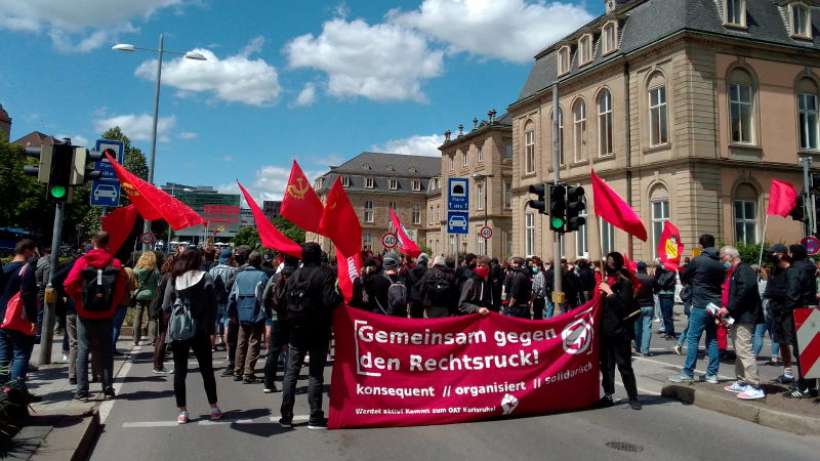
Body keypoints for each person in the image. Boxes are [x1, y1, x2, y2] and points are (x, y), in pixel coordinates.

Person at [280, 242, 342, 429]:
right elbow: (329, 300)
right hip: (318, 329)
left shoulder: (293, 276)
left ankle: (286, 416)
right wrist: (341, 297)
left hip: (296, 328)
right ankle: (315, 416)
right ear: (318, 256)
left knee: (291, 372)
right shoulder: (325, 273)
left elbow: (283, 301)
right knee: (315, 374)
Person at [64, 232, 128, 400]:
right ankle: (107, 388)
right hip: (107, 313)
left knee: (83, 350)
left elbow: (69, 284)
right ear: (108, 243)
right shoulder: (115, 262)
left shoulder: (82, 261)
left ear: (93, 242)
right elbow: (121, 288)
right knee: (106, 351)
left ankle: (82, 390)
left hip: (85, 313)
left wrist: (81, 298)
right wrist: (112, 304)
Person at [161, 248, 222, 424]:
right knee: (206, 370)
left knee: (180, 371)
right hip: (200, 329)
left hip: (179, 329)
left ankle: (182, 412)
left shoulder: (174, 277)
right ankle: (214, 407)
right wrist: (212, 329)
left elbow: (166, 305)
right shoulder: (205, 277)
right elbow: (212, 306)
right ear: (198, 260)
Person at [670, 234, 724, 384]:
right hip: (715, 305)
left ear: (701, 245)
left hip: (701, 303)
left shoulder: (698, 260)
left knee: (693, 338)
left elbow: (684, 275)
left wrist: (693, 281)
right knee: (712, 338)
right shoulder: (720, 262)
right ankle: (712, 374)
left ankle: (688, 372)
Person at [718, 246, 764, 400]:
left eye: (723, 258)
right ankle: (742, 381)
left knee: (744, 350)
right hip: (739, 316)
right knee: (739, 350)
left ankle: (755, 385)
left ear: (731, 256)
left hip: (746, 316)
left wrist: (728, 308)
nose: (722, 261)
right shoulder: (736, 271)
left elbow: (743, 292)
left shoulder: (744, 270)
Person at [598, 252, 641, 410]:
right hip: (605, 331)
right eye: (607, 261)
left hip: (620, 331)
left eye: (611, 262)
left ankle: (633, 397)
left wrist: (609, 293)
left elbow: (623, 306)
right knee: (606, 366)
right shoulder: (603, 280)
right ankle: (608, 394)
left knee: (624, 365)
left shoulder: (625, 283)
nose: (608, 264)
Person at [0, 239, 38, 392]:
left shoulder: (5, 268)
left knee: (3, 357)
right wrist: (33, 320)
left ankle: (2, 386)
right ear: (27, 250)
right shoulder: (26, 269)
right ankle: (15, 390)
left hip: (2, 319)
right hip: (19, 319)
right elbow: (28, 296)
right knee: (21, 355)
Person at [783, 244, 818, 397]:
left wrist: (786, 309)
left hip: (798, 311)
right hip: (811, 309)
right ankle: (812, 386)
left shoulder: (794, 269)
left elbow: (793, 292)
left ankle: (802, 386)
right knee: (812, 351)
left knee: (800, 351)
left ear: (794, 254)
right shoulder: (810, 267)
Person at [228, 251, 269, 384]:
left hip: (241, 312)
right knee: (254, 341)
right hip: (256, 312)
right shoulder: (262, 275)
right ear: (259, 262)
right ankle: (248, 373)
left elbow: (232, 296)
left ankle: (237, 370)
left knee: (241, 341)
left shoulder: (240, 276)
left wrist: (231, 313)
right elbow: (266, 295)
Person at [261, 256, 296, 393]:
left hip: (277, 318)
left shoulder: (275, 277)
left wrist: (269, 312)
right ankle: (289, 382)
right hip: (294, 318)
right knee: (293, 350)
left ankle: (268, 383)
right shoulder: (298, 276)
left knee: (273, 351)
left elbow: (264, 296)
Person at [209, 249, 237, 356]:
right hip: (227, 300)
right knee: (227, 324)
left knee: (214, 324)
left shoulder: (212, 270)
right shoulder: (233, 270)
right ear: (229, 258)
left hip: (214, 300)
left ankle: (212, 346)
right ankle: (228, 348)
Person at [150, 255, 175, 374]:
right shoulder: (170, 276)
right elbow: (169, 295)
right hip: (166, 309)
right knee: (163, 338)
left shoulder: (164, 275)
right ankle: (158, 365)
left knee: (161, 337)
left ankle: (158, 364)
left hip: (160, 309)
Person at [133, 251, 160, 346]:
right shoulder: (154, 269)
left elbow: (134, 275)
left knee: (138, 317)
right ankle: (152, 339)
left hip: (140, 295)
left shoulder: (137, 269)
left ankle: (136, 339)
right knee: (152, 317)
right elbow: (158, 281)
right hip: (152, 296)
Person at [633, 262, 655, 357]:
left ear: (637, 268)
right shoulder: (649, 278)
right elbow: (657, 288)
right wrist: (652, 278)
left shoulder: (633, 278)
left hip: (637, 305)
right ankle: (645, 350)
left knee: (637, 327)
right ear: (645, 268)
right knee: (647, 328)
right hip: (649, 305)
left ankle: (638, 347)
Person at [654, 261, 678, 340]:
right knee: (664, 314)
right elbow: (656, 279)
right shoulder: (662, 271)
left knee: (667, 315)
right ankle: (668, 332)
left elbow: (662, 282)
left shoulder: (671, 271)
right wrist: (658, 269)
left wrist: (660, 270)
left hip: (668, 294)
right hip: (662, 294)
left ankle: (671, 333)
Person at [407, 254, 428, 319]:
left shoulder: (411, 271)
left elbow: (408, 286)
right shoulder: (428, 272)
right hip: (423, 299)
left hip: (413, 299)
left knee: (413, 320)